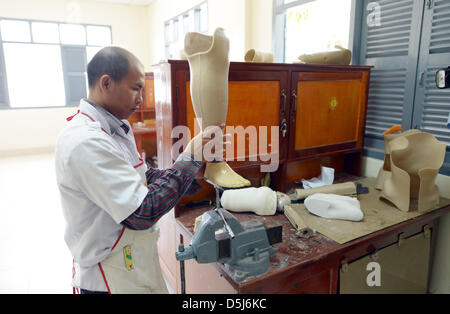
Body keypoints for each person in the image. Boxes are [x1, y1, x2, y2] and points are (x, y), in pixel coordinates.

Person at [55, 46, 225, 294]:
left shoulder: (117, 127)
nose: (142, 99)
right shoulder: (85, 141)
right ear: (106, 83)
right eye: (136, 88)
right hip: (107, 274)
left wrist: (192, 170)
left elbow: (146, 176)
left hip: (131, 260)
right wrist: (189, 158)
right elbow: (142, 213)